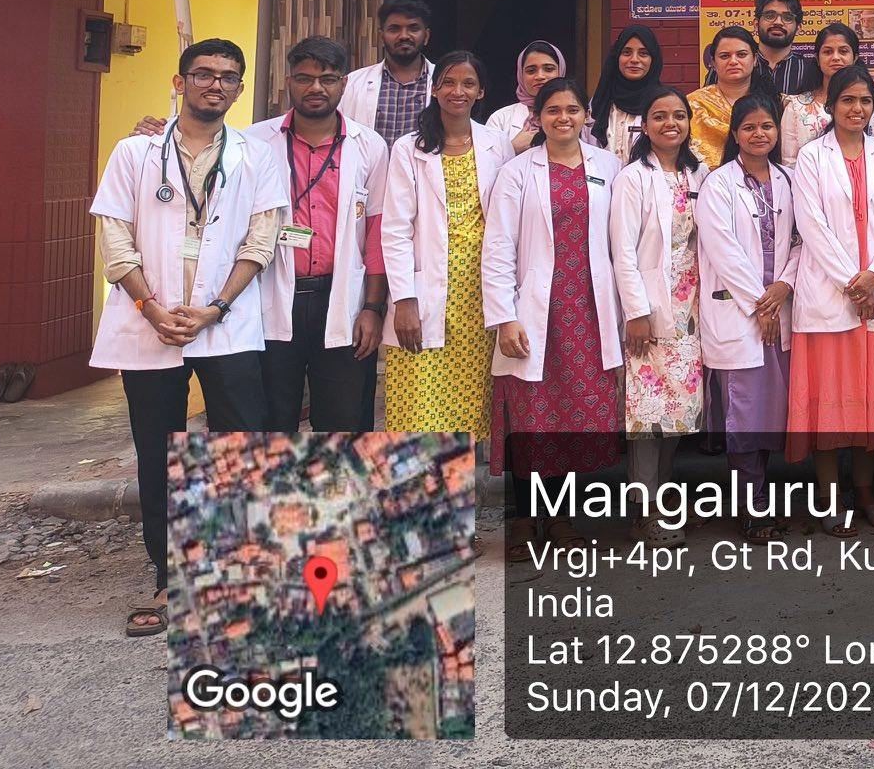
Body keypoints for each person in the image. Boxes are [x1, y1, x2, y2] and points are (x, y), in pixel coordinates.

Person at [89, 39, 285, 637]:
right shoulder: (135, 151)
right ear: (180, 82)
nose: (215, 84)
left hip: (225, 326)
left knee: (239, 452)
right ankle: (170, 577)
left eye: (228, 76)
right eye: (203, 74)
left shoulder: (256, 156)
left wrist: (216, 307)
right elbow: (114, 237)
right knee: (161, 453)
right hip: (150, 326)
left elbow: (261, 240)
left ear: (240, 89)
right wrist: (150, 308)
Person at [483, 77, 634, 550]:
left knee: (571, 413)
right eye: (553, 110)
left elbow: (622, 240)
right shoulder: (516, 172)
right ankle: (525, 518)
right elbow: (499, 246)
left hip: (589, 309)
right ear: (537, 118)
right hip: (535, 309)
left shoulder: (609, 166)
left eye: (572, 110)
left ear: (586, 115)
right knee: (531, 414)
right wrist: (504, 316)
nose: (563, 118)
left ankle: (561, 518)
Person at [247, 37, 390, 433]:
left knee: (343, 422)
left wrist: (372, 308)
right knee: (271, 421)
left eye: (327, 79)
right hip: (271, 295)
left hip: (341, 299)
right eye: (304, 78)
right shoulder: (254, 142)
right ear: (288, 81)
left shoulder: (370, 146)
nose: (315, 88)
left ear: (343, 84)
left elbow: (376, 234)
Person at [789, 64, 874, 530]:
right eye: (848, 100)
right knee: (828, 404)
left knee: (867, 401)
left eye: (865, 100)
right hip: (830, 295)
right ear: (831, 106)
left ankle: (865, 491)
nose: (857, 109)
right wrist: (854, 284)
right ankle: (828, 495)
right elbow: (811, 225)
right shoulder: (811, 157)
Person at [382, 52, 513, 436]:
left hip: (478, 293)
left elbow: (507, 222)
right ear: (435, 88)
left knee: (469, 408)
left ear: (481, 91)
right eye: (449, 82)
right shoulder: (409, 148)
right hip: (424, 293)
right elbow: (395, 229)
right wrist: (404, 299)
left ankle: (462, 475)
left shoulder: (497, 144)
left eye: (468, 83)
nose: (459, 91)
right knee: (418, 407)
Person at [609, 82, 707, 536]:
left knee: (679, 411)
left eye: (679, 115)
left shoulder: (699, 173)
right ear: (645, 126)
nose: (671, 123)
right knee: (647, 412)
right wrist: (636, 312)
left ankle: (663, 496)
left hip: (691, 310)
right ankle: (645, 508)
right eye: (660, 116)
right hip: (650, 308)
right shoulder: (633, 178)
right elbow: (623, 252)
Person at [696, 94, 796, 539]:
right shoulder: (718, 184)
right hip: (741, 312)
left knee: (770, 412)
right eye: (750, 127)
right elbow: (723, 250)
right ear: (734, 134)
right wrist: (760, 302)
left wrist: (783, 288)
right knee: (744, 413)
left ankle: (761, 499)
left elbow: (801, 241)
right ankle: (751, 507)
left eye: (767, 126)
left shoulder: (788, 179)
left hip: (779, 310)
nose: (759, 134)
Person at [339, 0, 434, 145]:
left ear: (426, 36)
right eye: (394, 29)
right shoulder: (352, 83)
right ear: (381, 36)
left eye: (413, 28)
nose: (404, 36)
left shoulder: (443, 83)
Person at [689, 26, 777, 166]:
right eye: (725, 56)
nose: (733, 61)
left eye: (741, 55)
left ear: (754, 59)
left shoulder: (776, 102)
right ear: (713, 62)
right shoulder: (693, 104)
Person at [779, 22, 860, 164]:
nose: (835, 57)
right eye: (828, 52)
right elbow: (789, 162)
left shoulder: (865, 104)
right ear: (817, 59)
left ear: (855, 58)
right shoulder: (796, 107)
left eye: (843, 51)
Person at [590, 25, 665, 156]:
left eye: (643, 53)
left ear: (653, 59)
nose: (634, 60)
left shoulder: (663, 103)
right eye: (626, 52)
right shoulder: (599, 102)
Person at [486, 41, 565, 153]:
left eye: (548, 69)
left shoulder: (577, 116)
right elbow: (487, 162)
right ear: (520, 75)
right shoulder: (500, 119)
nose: (540, 76)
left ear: (561, 71)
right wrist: (513, 148)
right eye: (531, 71)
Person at [755, 0, 823, 96]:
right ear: (756, 24)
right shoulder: (740, 64)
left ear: (798, 28)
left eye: (787, 18)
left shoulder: (811, 70)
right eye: (770, 16)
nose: (778, 22)